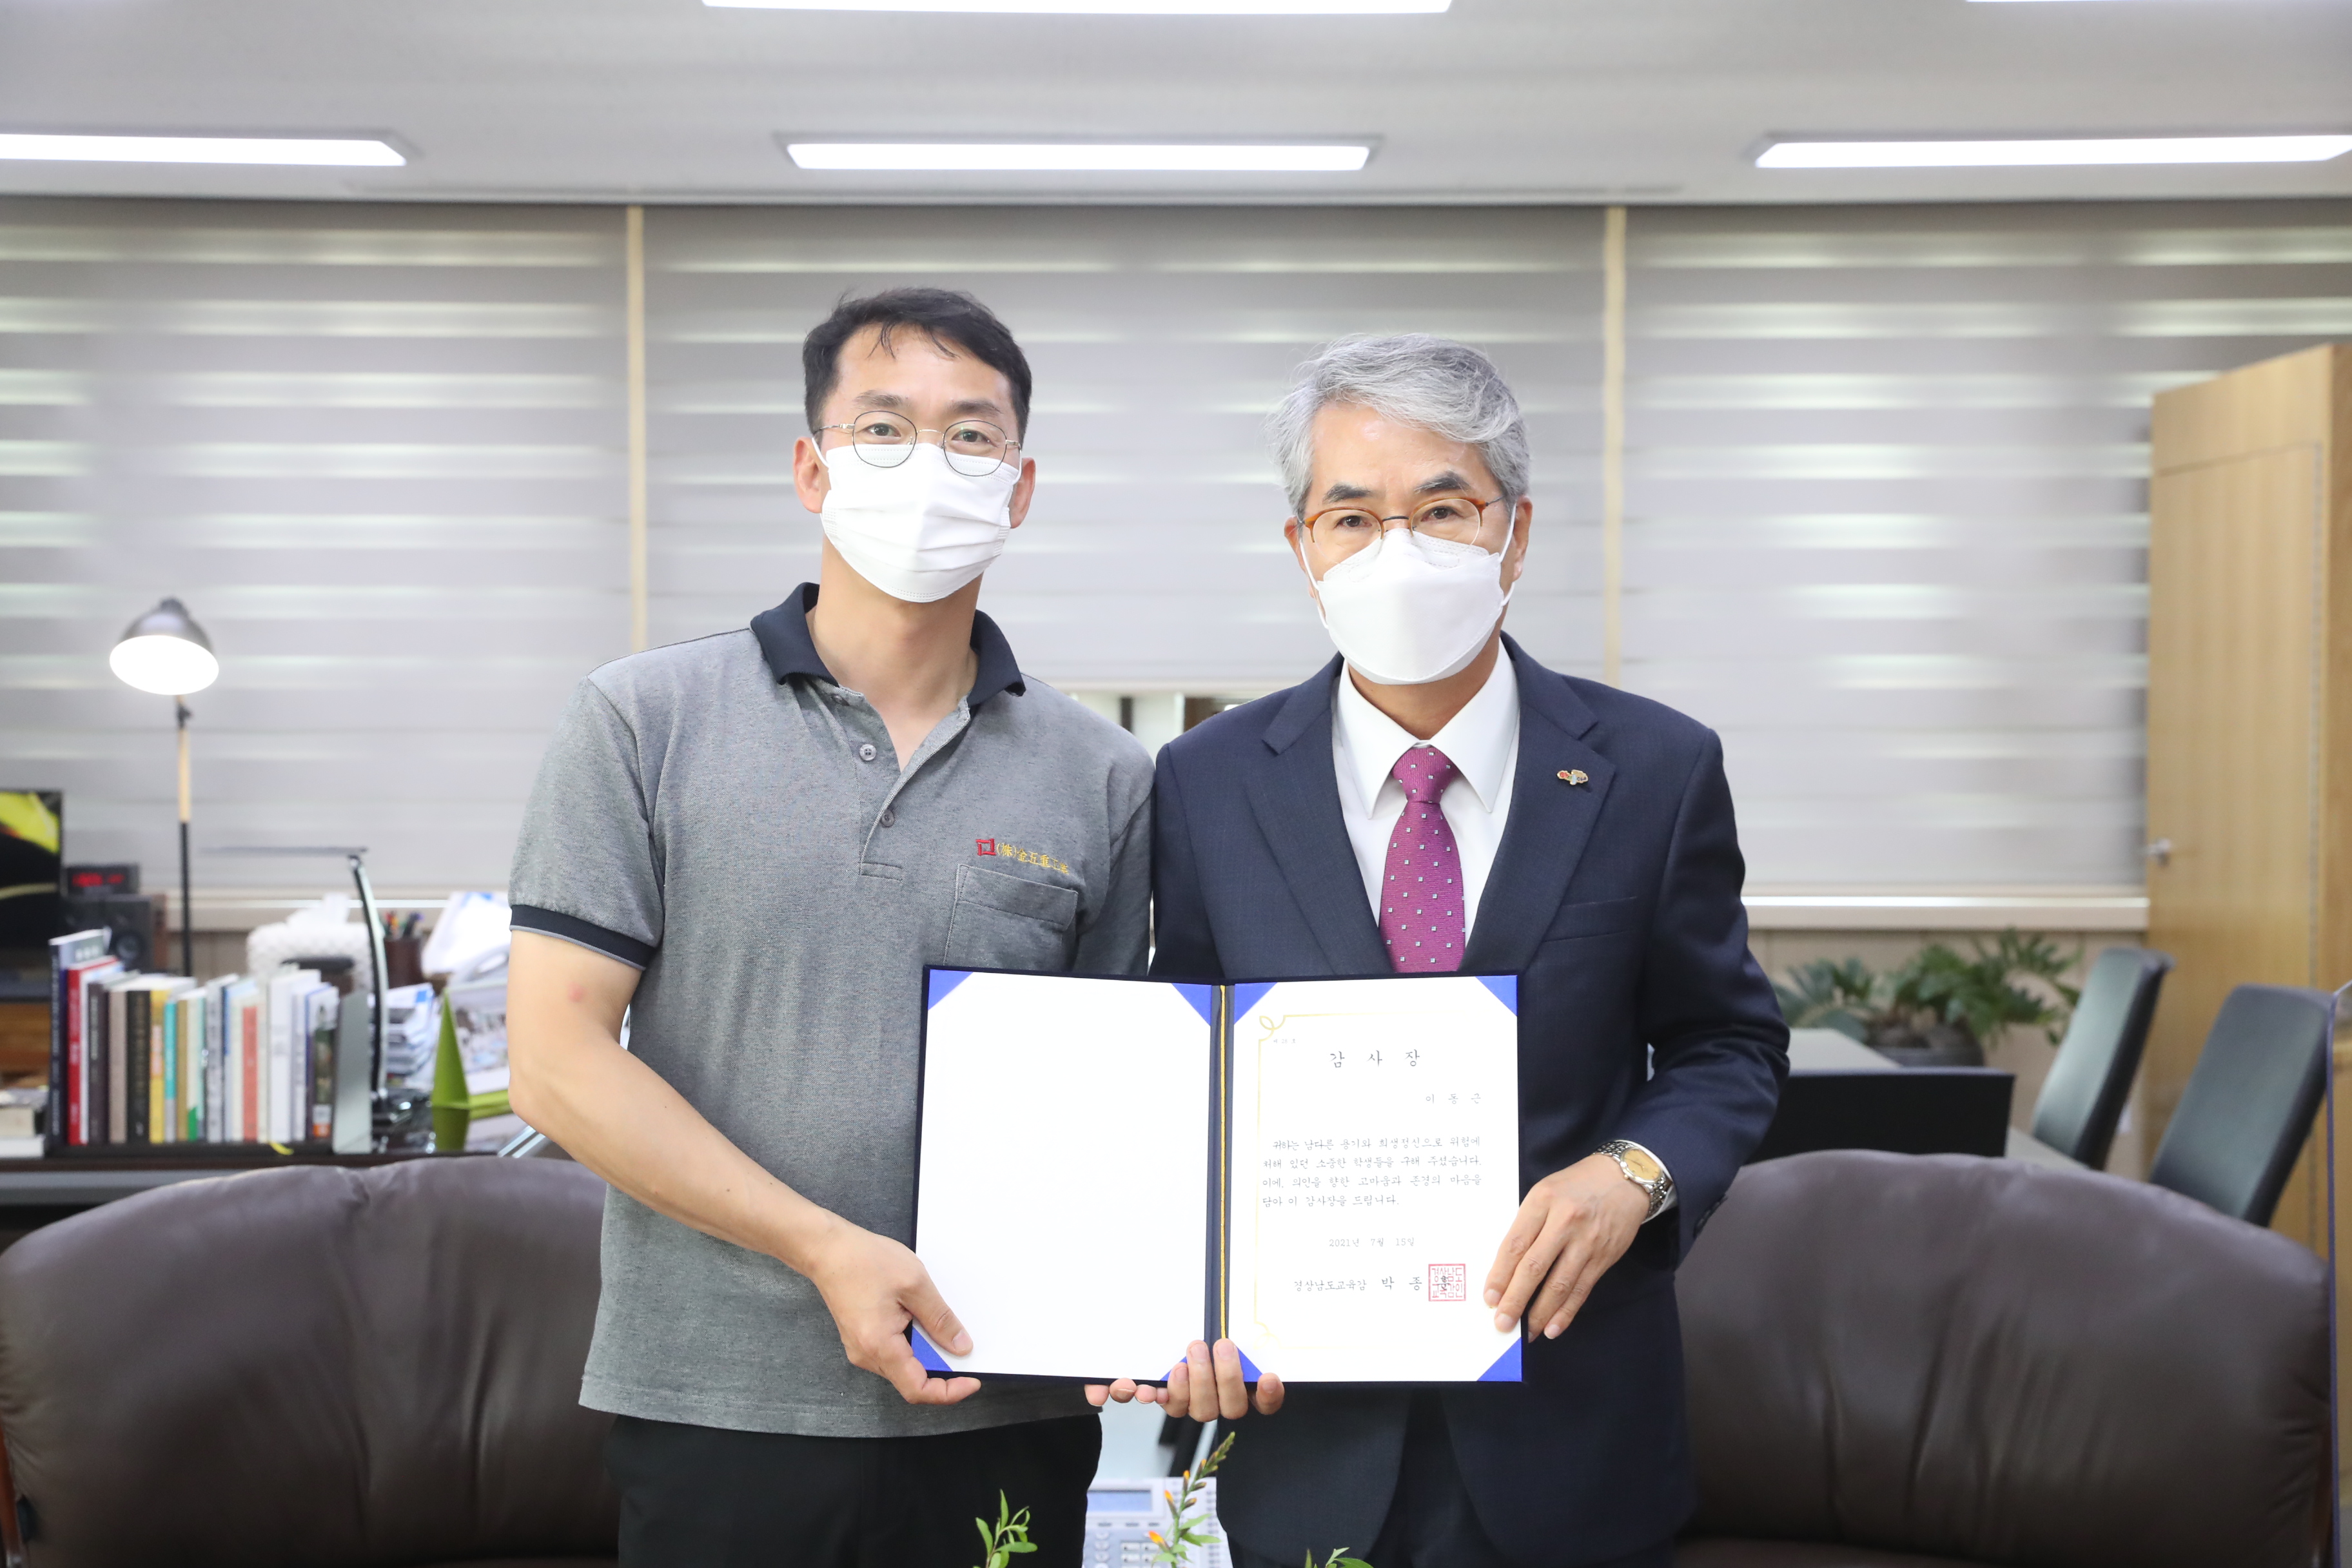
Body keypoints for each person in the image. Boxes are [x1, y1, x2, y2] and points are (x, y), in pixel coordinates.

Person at [504, 288, 1152, 1567]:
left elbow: (1109, 1092)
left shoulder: (1105, 773)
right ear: (813, 468)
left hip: (997, 1395)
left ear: (1018, 490)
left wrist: (1135, 1295)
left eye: (973, 438)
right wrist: (824, 1247)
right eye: (885, 428)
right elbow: (556, 1058)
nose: (932, 466)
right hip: (721, 1396)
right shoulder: (643, 720)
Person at [1137, 335, 1788, 1567]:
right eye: (1353, 516)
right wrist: (1184, 1306)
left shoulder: (1654, 768)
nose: (1401, 550)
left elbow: (1727, 1041)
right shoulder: (1210, 782)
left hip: (1573, 1419)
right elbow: (1186, 1077)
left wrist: (1634, 1172)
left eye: (1443, 508)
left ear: (1515, 532)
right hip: (1307, 1433)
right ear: (1303, 549)